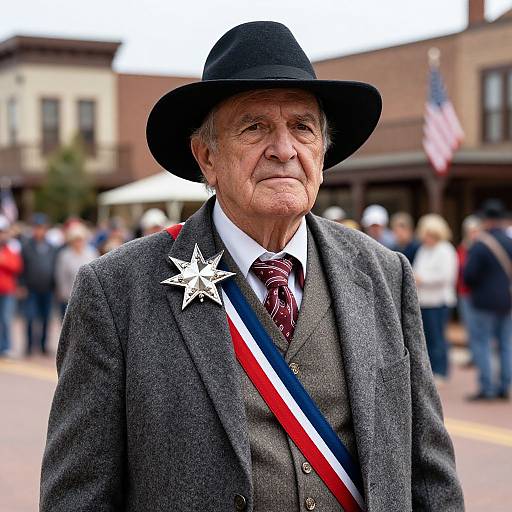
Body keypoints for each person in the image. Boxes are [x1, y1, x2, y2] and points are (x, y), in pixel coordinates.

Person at [40, 22, 464, 511]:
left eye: (302, 127)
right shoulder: (117, 292)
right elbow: (77, 497)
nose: (284, 149)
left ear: (322, 156)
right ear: (207, 157)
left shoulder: (384, 275)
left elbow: (431, 476)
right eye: (255, 127)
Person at [464, 199, 512, 401]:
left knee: (482, 343)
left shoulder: (480, 245)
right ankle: (504, 386)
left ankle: (487, 388)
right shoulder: (509, 242)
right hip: (507, 299)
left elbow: (469, 275)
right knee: (505, 344)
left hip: (483, 301)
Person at [413, 214, 458, 383]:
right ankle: (431, 370)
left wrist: (423, 279)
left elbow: (447, 276)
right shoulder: (423, 250)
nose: (427, 238)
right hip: (424, 300)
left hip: (439, 301)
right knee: (427, 338)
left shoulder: (445, 250)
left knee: (438, 337)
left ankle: (441, 371)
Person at [20, 213, 57, 355]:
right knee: (30, 317)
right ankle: (29, 346)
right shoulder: (26, 246)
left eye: (42, 228)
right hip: (30, 288)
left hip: (47, 288)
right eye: (37, 227)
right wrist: (21, 284)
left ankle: (43, 346)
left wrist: (55, 286)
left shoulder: (52, 247)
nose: (39, 231)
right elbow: (22, 267)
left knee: (46, 318)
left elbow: (55, 266)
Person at [55, 222, 98, 318]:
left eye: (80, 239)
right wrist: (65, 295)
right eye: (76, 240)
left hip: (88, 297)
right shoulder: (64, 255)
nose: (78, 242)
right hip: (68, 298)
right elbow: (61, 276)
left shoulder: (92, 253)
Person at [456, 215, 481, 366]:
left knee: (480, 328)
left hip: (478, 294)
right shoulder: (463, 248)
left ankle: (480, 356)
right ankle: (474, 355)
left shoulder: (482, 248)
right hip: (464, 293)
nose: (472, 234)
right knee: (469, 326)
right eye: (470, 231)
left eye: (475, 230)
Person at [0, 215, 23, 357]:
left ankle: (6, 347)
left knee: (6, 319)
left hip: (7, 290)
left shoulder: (12, 248)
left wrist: (3, 261)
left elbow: (17, 266)